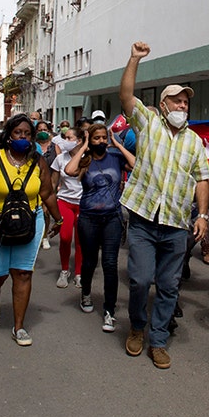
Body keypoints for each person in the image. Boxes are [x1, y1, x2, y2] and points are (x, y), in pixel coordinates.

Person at [118, 42, 209, 369]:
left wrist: (202, 214)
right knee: (142, 280)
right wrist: (134, 59)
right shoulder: (148, 123)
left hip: (175, 224)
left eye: (186, 102)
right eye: (177, 100)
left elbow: (203, 178)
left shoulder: (194, 141)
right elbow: (127, 96)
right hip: (144, 220)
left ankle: (158, 340)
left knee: (170, 285)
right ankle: (137, 326)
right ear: (163, 104)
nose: (183, 105)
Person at [0, 114, 63, 346]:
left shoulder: (37, 161)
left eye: (27, 134)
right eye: (17, 133)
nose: (23, 137)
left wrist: (58, 218)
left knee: (22, 273)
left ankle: (19, 326)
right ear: (9, 135)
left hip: (29, 222)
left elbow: (48, 194)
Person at [65, 123, 134, 330]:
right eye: (97, 138)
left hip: (112, 217)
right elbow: (69, 170)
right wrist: (84, 145)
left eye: (104, 138)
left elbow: (137, 165)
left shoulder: (115, 157)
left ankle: (109, 311)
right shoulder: (85, 160)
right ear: (90, 140)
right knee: (89, 262)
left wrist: (117, 144)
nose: (101, 142)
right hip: (88, 218)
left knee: (110, 264)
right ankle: (85, 292)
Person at [50, 127, 84, 289]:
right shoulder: (60, 159)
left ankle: (78, 273)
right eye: (64, 137)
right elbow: (53, 182)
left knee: (80, 240)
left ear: (79, 141)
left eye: (69, 138)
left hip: (83, 204)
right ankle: (64, 270)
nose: (65, 140)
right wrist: (48, 202)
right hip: (64, 201)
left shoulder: (87, 159)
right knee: (64, 237)